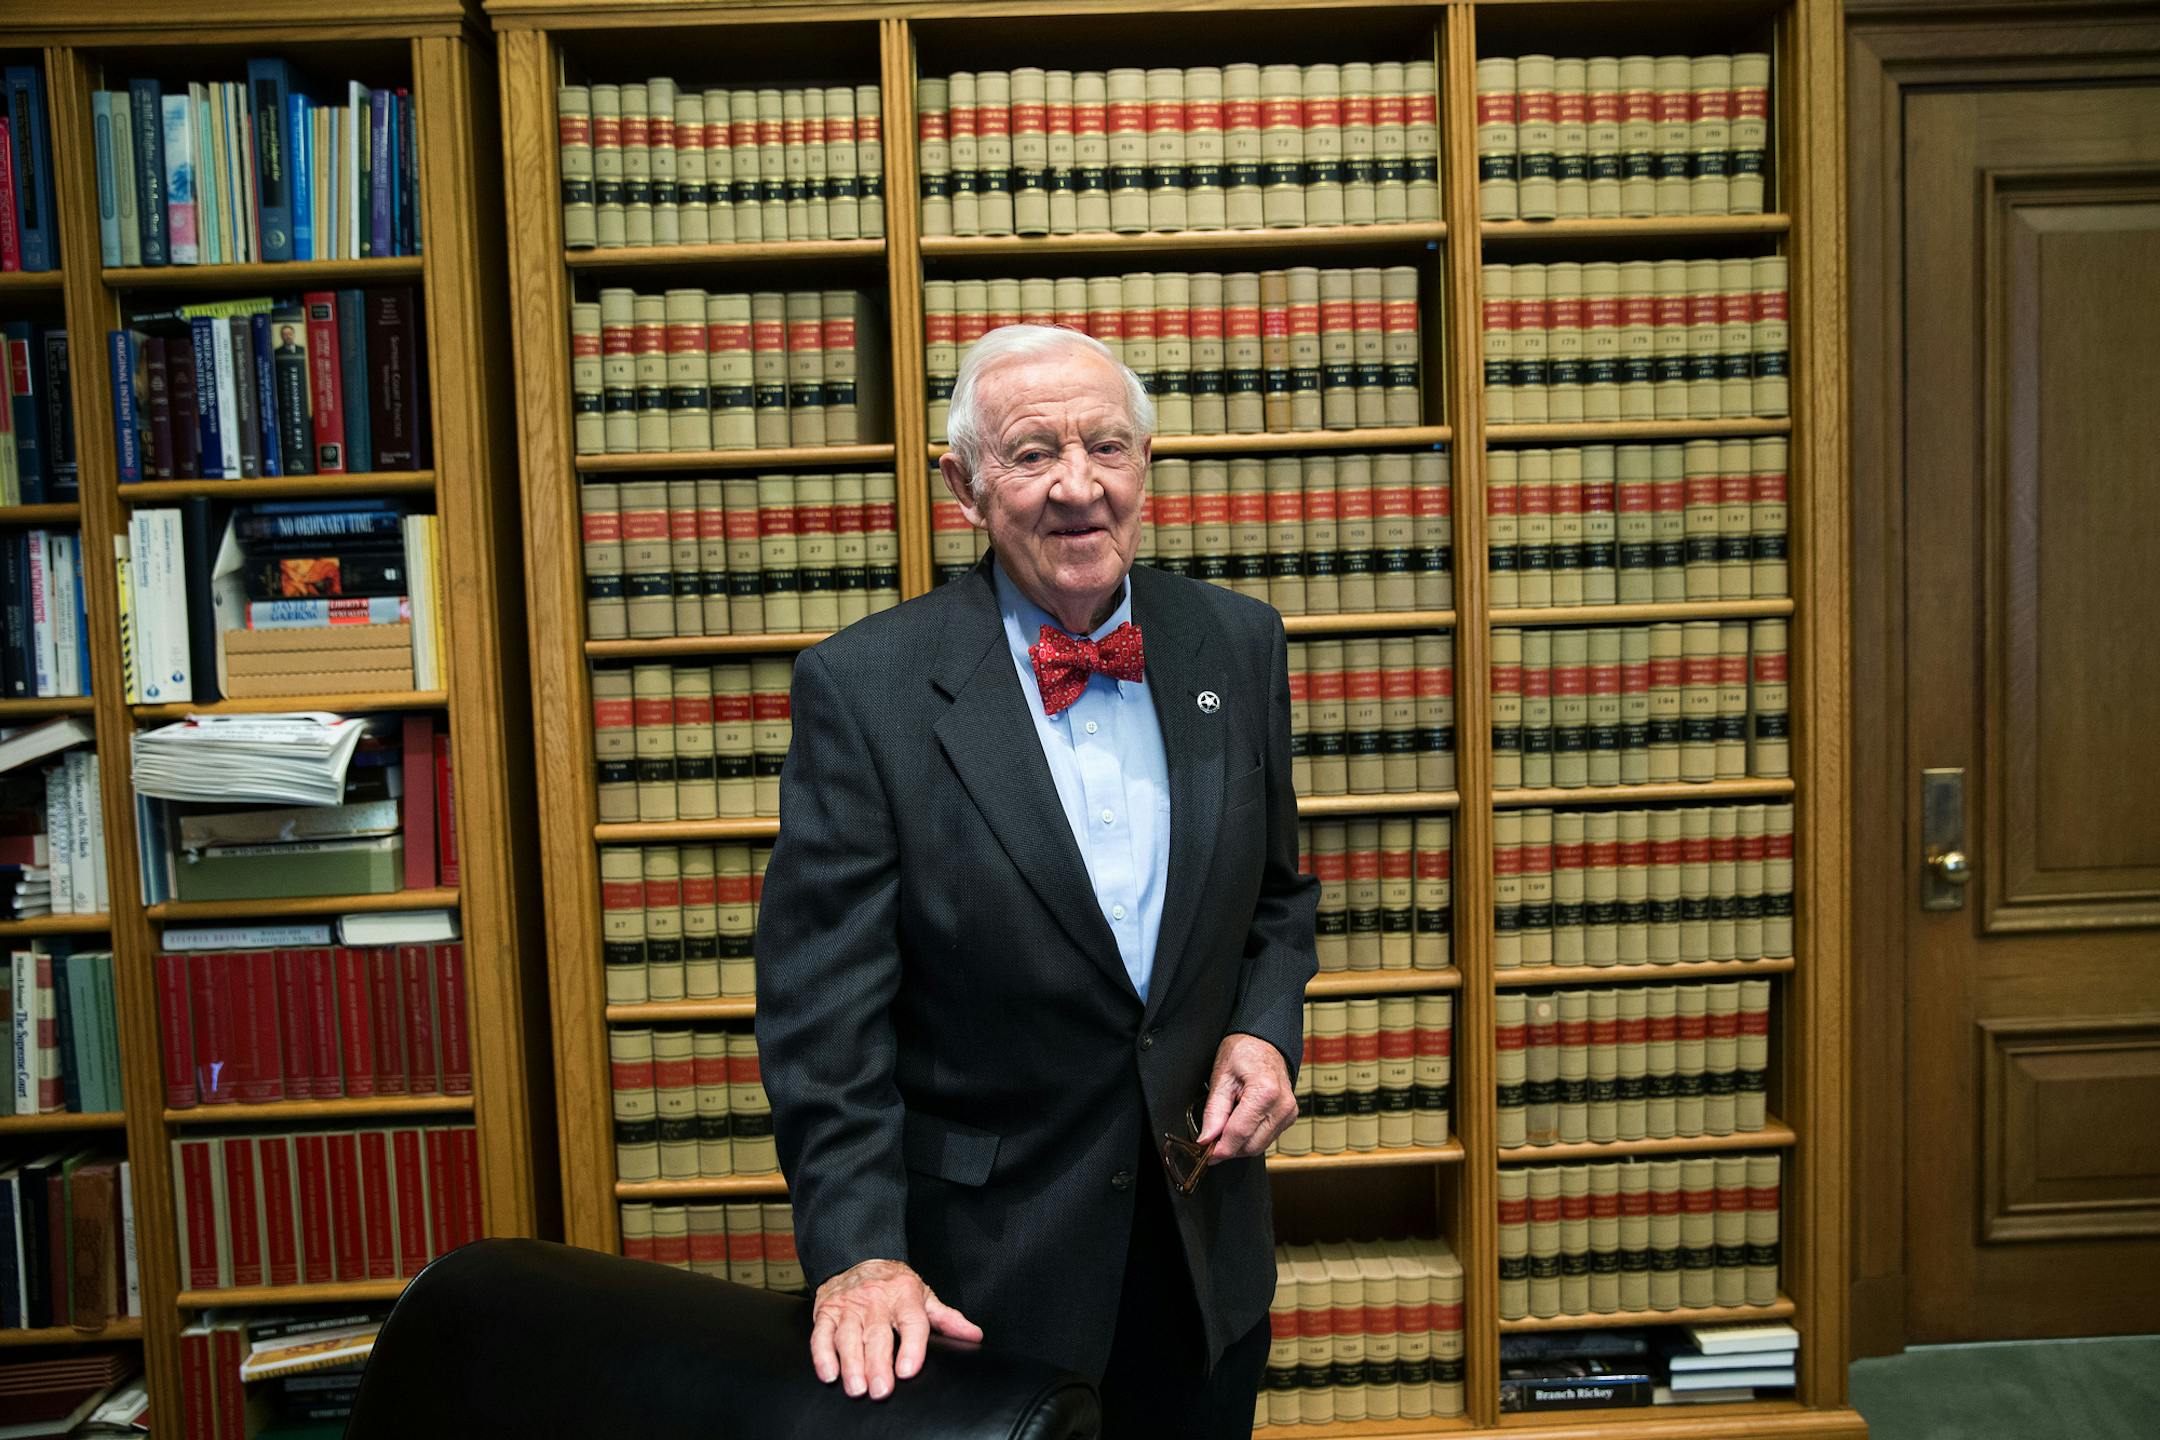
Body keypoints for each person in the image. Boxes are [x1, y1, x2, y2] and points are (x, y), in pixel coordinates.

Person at [754, 324, 1318, 1436]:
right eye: (1030, 454)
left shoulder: (1236, 645)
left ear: (1144, 465)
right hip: (985, 1280)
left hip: (1205, 1255)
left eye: (1107, 447)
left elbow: (1277, 900)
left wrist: (1264, 1030)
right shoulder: (865, 691)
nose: (1077, 487)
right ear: (963, 486)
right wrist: (863, 1255)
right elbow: (825, 1021)